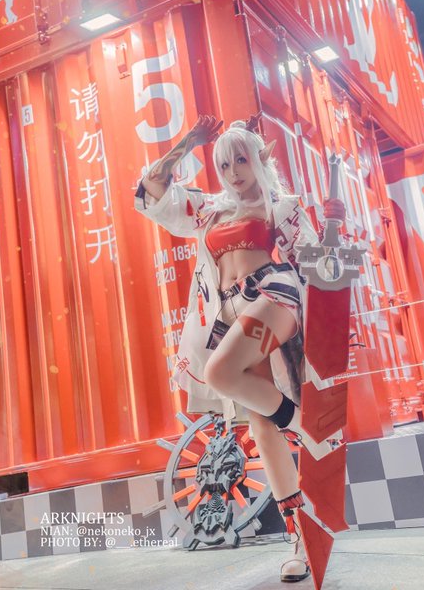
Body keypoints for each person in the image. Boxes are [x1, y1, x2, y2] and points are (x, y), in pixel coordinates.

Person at [134, 115, 345, 583]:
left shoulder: (279, 206)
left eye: (242, 161)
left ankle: (300, 426)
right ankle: (300, 539)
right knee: (262, 426)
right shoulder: (210, 209)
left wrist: (333, 230)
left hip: (273, 295)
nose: (233, 173)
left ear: (258, 159)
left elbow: (317, 264)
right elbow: (152, 191)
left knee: (220, 373)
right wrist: (188, 142)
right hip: (228, 314)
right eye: (224, 164)